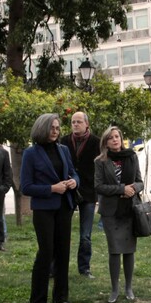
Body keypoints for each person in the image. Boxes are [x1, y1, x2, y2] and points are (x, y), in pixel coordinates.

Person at [20, 113, 79, 303]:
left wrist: (74, 181)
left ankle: (61, 297)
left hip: (64, 206)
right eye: (52, 128)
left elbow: (73, 172)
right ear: (42, 129)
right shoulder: (31, 153)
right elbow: (26, 187)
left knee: (63, 251)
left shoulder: (63, 149)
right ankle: (38, 299)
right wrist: (51, 189)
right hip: (44, 209)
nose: (55, 131)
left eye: (57, 128)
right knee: (46, 252)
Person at [94, 126, 144, 303]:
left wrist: (132, 189)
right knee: (114, 251)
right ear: (105, 142)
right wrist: (121, 189)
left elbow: (140, 182)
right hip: (110, 212)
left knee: (129, 250)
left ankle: (128, 287)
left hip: (130, 209)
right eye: (111, 138)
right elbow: (99, 186)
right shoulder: (100, 161)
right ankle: (114, 289)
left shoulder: (131, 156)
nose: (115, 140)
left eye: (117, 136)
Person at [60, 112, 100, 279]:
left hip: (89, 193)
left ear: (86, 124)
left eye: (78, 122)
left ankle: (84, 268)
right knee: (62, 232)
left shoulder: (96, 142)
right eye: (72, 122)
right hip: (68, 192)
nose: (75, 124)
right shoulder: (64, 142)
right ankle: (57, 267)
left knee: (85, 235)